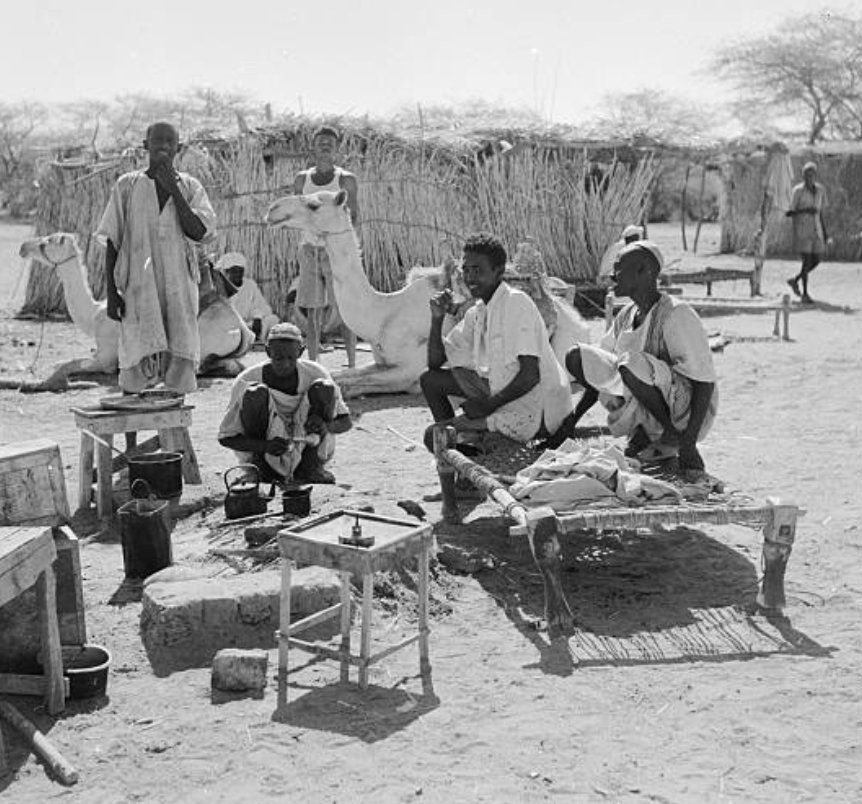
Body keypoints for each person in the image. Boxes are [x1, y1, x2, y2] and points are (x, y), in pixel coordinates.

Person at [563, 241, 718, 476]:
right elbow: (600, 374)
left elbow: (704, 381)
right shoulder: (626, 315)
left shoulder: (676, 314)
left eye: (619, 268)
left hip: (682, 415)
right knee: (578, 357)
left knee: (629, 362)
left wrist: (689, 444)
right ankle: (642, 431)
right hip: (647, 407)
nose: (612, 276)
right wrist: (571, 421)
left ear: (644, 271)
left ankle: (670, 435)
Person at [420, 233, 574, 451]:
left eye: (478, 270)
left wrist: (487, 406)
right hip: (503, 395)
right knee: (430, 380)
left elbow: (530, 375)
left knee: (432, 436)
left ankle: (472, 453)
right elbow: (435, 364)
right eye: (466, 270)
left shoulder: (515, 303)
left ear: (498, 271)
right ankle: (465, 445)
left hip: (538, 409)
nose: (470, 277)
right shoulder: (477, 312)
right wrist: (437, 319)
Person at [97, 121, 217, 394]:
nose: (163, 146)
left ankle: (175, 416)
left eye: (169, 141)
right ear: (145, 145)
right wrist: (112, 293)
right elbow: (112, 241)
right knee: (135, 352)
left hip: (180, 286)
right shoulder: (127, 186)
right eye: (157, 140)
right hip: (138, 286)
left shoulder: (190, 187)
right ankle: (132, 416)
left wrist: (173, 188)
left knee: (181, 349)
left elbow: (199, 232)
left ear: (179, 148)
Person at [218, 322, 352, 485]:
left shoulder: (315, 372)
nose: (285, 364)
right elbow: (226, 438)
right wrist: (264, 446)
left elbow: (346, 422)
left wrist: (325, 426)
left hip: (308, 443)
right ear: (268, 352)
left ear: (300, 352)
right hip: (265, 448)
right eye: (278, 358)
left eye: (291, 358)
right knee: (254, 393)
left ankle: (311, 468)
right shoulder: (247, 379)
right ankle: (260, 469)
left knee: (324, 388)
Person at [292, 126, 360, 366]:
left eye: (330, 143)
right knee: (313, 309)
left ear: (336, 148)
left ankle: (352, 363)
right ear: (313, 146)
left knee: (344, 306)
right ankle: (314, 363)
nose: (325, 146)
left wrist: (341, 244)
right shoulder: (302, 179)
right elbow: (298, 212)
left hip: (336, 252)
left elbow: (354, 216)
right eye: (321, 142)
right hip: (310, 248)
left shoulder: (346, 179)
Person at [215, 251, 279, 343]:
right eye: (234, 271)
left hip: (249, 325)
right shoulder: (220, 287)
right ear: (226, 272)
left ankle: (257, 342)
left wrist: (257, 318)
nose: (238, 274)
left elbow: (262, 306)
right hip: (231, 327)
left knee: (273, 319)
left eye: (240, 271)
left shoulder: (250, 285)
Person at [786, 161, 828, 304]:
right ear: (803, 176)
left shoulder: (820, 190)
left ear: (815, 175)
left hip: (816, 229)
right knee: (807, 261)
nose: (809, 177)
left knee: (817, 259)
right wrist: (805, 211)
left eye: (812, 175)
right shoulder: (797, 191)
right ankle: (805, 293)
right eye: (807, 175)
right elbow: (790, 212)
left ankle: (795, 279)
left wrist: (825, 232)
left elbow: (820, 212)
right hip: (803, 230)